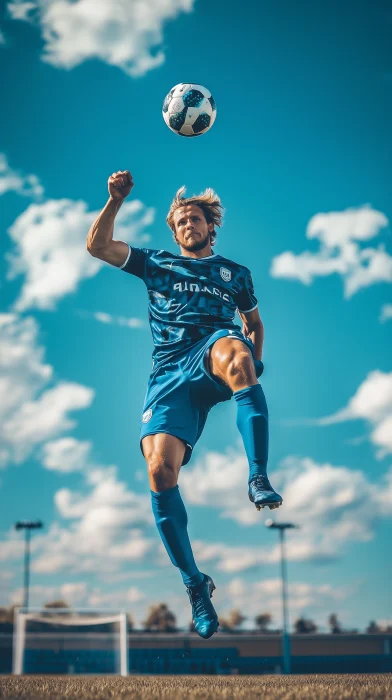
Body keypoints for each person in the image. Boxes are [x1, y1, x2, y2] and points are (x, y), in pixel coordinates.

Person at [87, 170, 282, 639]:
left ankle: (257, 475)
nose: (189, 224)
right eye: (181, 221)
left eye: (196, 218)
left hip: (215, 350)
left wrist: (252, 357)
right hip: (170, 374)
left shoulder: (234, 274)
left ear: (210, 227)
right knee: (159, 471)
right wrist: (113, 201)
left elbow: (253, 323)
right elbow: (98, 246)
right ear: (174, 232)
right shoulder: (155, 263)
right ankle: (195, 583)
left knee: (234, 349)